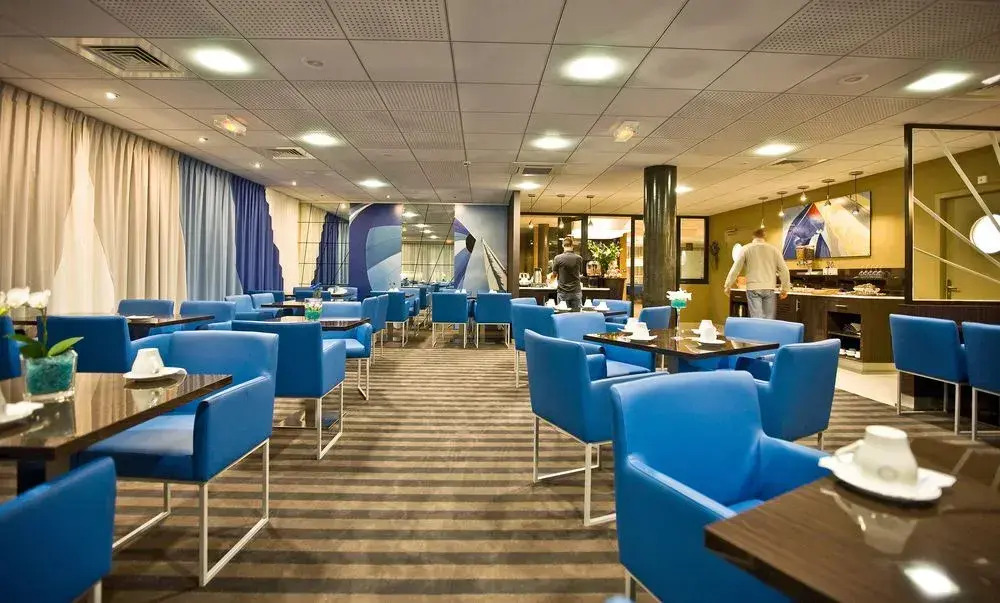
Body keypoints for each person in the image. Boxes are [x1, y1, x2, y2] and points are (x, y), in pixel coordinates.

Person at [723, 227, 791, 319]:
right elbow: (784, 270)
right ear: (764, 237)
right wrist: (785, 288)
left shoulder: (746, 249)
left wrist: (728, 285)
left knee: (757, 318)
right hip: (769, 287)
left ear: (753, 237)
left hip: (753, 288)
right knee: (769, 319)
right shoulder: (774, 250)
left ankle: (757, 328)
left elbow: (736, 268)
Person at [550, 235, 584, 311]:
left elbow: (554, 275)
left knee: (562, 315)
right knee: (576, 316)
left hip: (562, 292)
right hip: (576, 292)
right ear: (572, 246)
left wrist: (550, 281)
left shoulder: (557, 258)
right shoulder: (579, 258)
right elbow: (580, 273)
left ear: (563, 245)